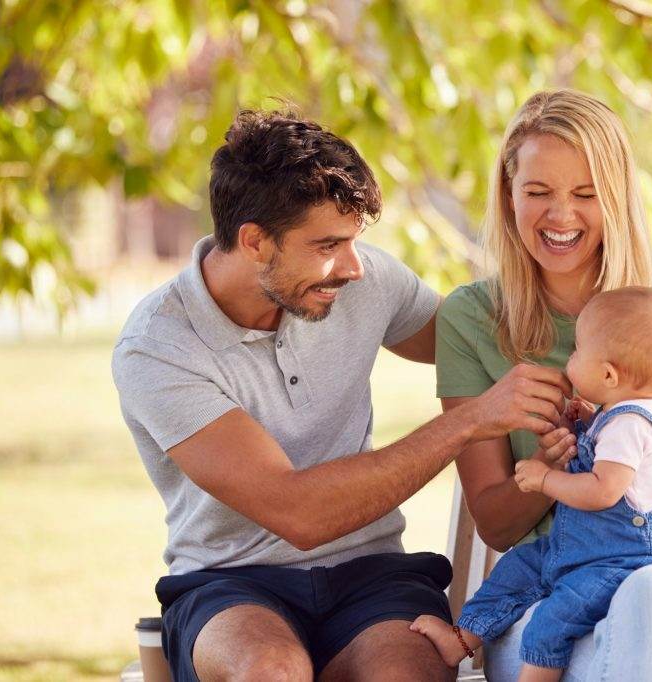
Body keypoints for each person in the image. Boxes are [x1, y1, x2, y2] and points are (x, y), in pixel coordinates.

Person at [111, 109, 573, 682]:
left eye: (355, 240)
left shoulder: (361, 280)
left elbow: (477, 342)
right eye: (328, 243)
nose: (354, 267)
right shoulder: (159, 347)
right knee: (270, 671)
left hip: (373, 576)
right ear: (254, 241)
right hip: (231, 584)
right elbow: (297, 512)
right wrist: (468, 422)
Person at [434, 89, 652, 681]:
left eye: (585, 195)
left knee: (648, 598)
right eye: (538, 192)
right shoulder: (472, 319)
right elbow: (495, 522)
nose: (560, 216)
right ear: (508, 194)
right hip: (550, 594)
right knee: (602, 651)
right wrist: (556, 475)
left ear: (615, 198)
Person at [413, 286, 652, 681]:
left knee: (553, 619)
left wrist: (546, 479)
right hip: (581, 547)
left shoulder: (630, 425)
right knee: (516, 569)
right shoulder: (619, 414)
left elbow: (602, 491)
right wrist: (585, 422)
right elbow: (602, 456)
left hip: (619, 562)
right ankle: (461, 639)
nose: (569, 358)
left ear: (609, 375)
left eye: (577, 351)